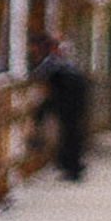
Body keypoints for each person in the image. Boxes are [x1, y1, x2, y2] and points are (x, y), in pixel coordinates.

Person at [38, 31, 88, 181]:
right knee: (72, 134)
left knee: (68, 134)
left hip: (66, 102)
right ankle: (72, 165)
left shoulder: (53, 62)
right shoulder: (66, 63)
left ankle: (71, 166)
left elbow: (40, 74)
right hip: (73, 101)